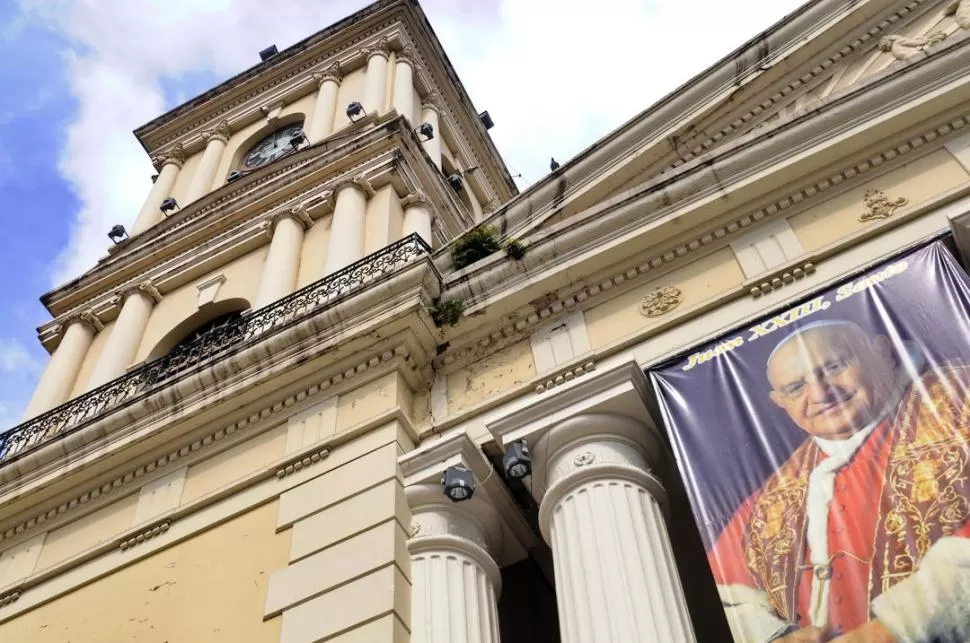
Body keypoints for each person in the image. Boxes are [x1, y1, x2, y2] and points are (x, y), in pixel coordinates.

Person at [708, 320, 970, 642]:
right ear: (780, 401)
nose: (820, 394)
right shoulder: (775, 495)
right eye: (795, 388)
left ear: (882, 353)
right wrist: (774, 637)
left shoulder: (960, 401)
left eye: (833, 366)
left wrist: (899, 628)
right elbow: (721, 595)